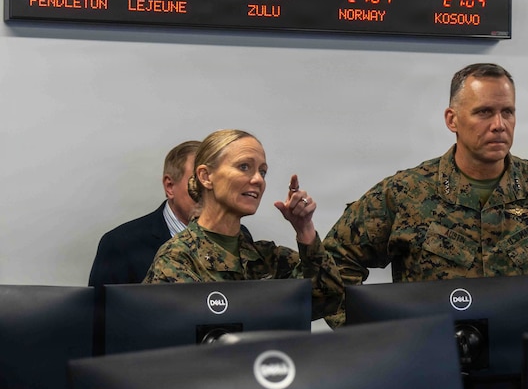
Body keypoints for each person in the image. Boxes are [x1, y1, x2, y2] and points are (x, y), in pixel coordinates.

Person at [324, 63, 528, 330]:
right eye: (484, 112)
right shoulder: (406, 192)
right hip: (436, 363)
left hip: (526, 361)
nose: (499, 124)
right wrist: (372, 335)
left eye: (508, 112)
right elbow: (332, 265)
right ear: (452, 119)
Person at [144, 129, 343, 324]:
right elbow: (177, 334)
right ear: (206, 176)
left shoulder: (268, 258)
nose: (258, 179)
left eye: (262, 172)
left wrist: (305, 229)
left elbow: (328, 299)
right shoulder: (178, 258)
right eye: (244, 167)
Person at [88, 140, 200, 288]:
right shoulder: (121, 245)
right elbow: (99, 310)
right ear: (170, 187)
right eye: (197, 183)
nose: (210, 193)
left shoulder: (239, 240)